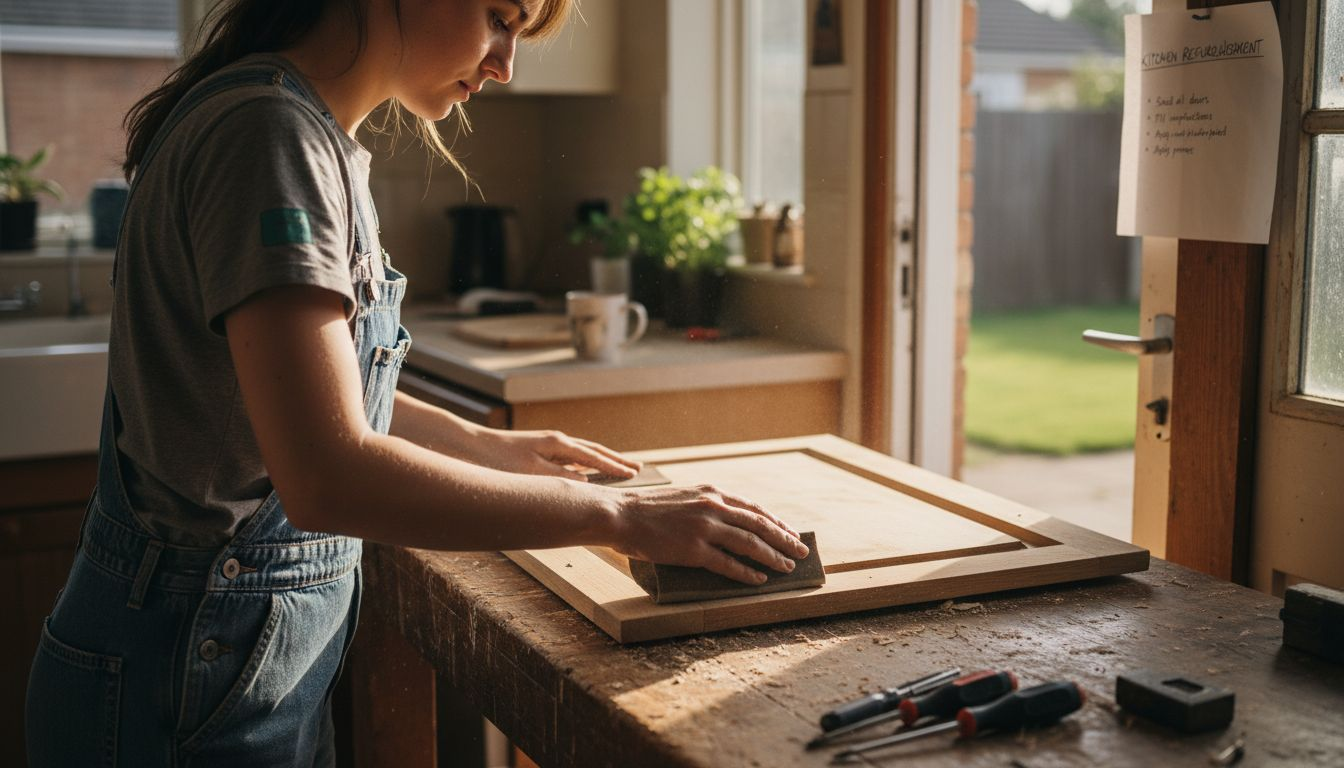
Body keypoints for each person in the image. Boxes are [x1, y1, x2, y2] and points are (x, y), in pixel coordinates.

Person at [24, 0, 809, 765]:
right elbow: (327, 474)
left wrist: (486, 446)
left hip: (213, 664)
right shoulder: (270, 136)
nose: (504, 65)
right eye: (501, 18)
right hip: (182, 677)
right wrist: (619, 516)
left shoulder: (304, 129)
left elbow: (308, 397)